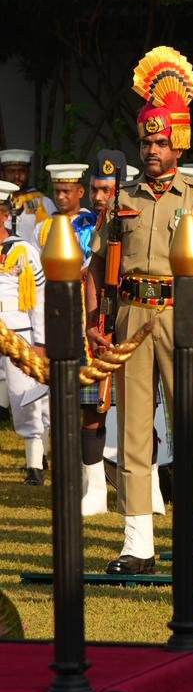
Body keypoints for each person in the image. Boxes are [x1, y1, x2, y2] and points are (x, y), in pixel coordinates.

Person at [86, 45, 193, 577]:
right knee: (133, 431)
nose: (151, 149)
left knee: (191, 428)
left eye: (161, 142)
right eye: (145, 141)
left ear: (178, 144)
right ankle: (137, 543)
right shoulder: (122, 197)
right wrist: (95, 322)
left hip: (182, 315)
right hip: (130, 316)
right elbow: (98, 266)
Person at [80, 152, 127, 515]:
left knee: (142, 408)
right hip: (95, 326)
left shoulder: (133, 218)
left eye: (106, 190)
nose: (99, 197)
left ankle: (149, 485)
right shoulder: (78, 225)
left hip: (131, 318)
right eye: (96, 189)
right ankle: (94, 488)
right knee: (92, 406)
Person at [0, 181, 49, 486]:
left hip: (18, 334)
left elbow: (39, 300)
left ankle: (35, 463)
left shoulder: (22, 249)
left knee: (24, 399)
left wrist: (41, 342)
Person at [0, 150, 55, 246]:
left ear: (28, 173)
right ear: (2, 174)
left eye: (22, 171)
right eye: (11, 171)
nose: (17, 176)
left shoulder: (43, 203)